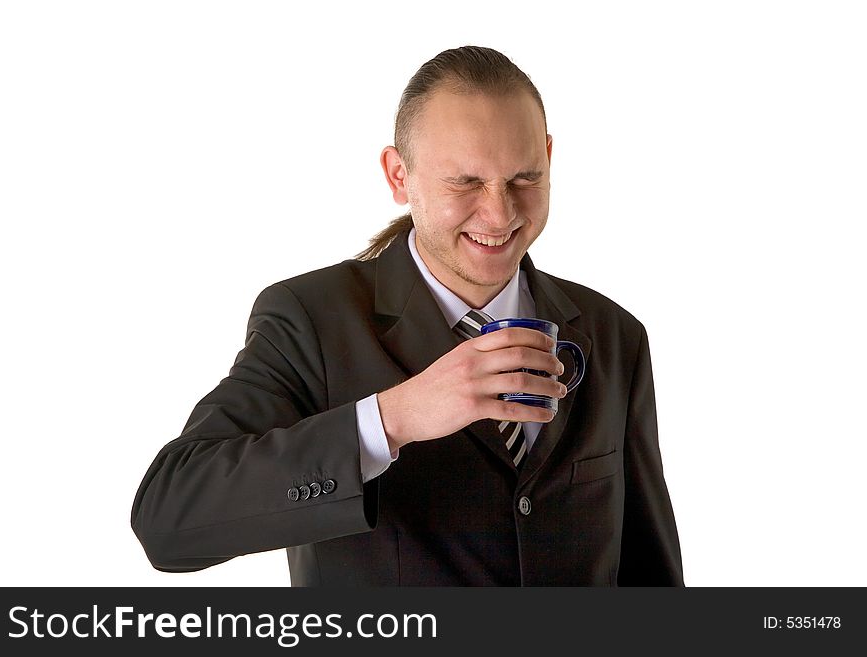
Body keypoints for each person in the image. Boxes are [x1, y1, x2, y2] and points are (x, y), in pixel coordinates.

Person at [131, 46, 684, 586]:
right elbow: (168, 520)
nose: (500, 213)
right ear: (399, 175)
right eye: (465, 182)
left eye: (524, 178)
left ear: (548, 158)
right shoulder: (309, 320)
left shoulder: (616, 335)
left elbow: (650, 575)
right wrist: (392, 419)